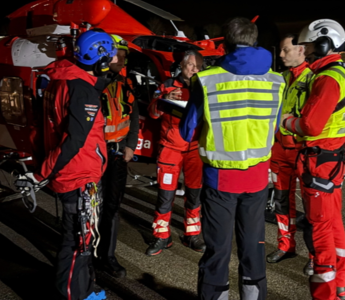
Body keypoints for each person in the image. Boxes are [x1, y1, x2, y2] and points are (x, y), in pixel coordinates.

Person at [180, 18, 284, 300]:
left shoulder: (207, 79)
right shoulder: (277, 80)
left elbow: (186, 130)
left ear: (225, 44)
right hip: (258, 179)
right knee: (254, 247)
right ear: (255, 42)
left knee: (218, 250)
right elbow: (274, 127)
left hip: (220, 180)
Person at [24, 30, 116, 300]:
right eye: (109, 56)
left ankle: (85, 289)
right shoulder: (82, 90)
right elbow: (74, 140)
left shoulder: (62, 79)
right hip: (78, 176)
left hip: (75, 173)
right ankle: (72, 295)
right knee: (77, 241)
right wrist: (41, 173)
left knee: (84, 239)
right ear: (100, 58)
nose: (112, 61)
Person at [281, 19, 345, 300]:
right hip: (333, 160)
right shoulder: (342, 73)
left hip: (319, 164)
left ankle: (325, 293)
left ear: (325, 44)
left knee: (320, 230)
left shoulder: (327, 78)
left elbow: (311, 126)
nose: (308, 51)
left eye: (311, 45)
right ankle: (339, 287)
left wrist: (287, 122)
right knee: (334, 224)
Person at [145, 49, 206, 256]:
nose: (195, 69)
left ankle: (192, 234)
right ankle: (162, 236)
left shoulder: (204, 86)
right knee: (165, 195)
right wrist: (165, 99)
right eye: (191, 65)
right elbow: (152, 113)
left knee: (194, 194)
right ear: (182, 65)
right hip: (170, 149)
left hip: (195, 149)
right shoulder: (167, 85)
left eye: (199, 66)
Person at [266, 34, 313, 264]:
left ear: (301, 50)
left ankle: (316, 257)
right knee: (281, 202)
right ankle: (286, 246)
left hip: (303, 152)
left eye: (286, 50)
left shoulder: (315, 79)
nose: (281, 55)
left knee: (312, 207)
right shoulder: (280, 78)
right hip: (279, 152)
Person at [96, 34, 139, 278]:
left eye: (124, 56)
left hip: (117, 154)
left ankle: (107, 256)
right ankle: (86, 253)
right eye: (118, 55)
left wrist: (130, 145)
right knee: (89, 207)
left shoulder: (125, 83)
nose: (122, 60)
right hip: (94, 155)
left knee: (112, 207)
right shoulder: (92, 82)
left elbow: (134, 115)